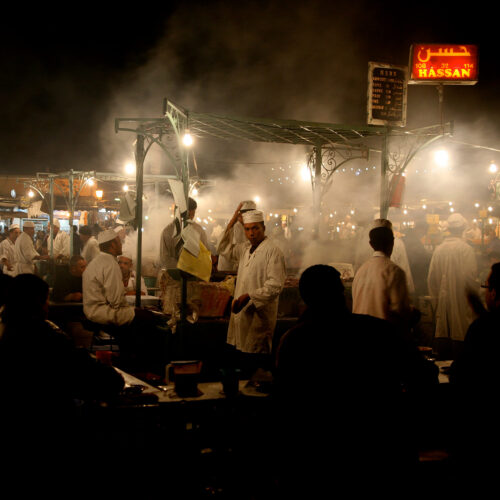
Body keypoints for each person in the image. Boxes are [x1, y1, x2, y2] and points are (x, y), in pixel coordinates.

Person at [274, 265, 438, 495]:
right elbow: (424, 377)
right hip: (379, 459)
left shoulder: (294, 341)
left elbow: (284, 406)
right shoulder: (377, 330)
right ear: (342, 294)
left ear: (305, 299)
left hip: (317, 465)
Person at [0, 274, 124, 475]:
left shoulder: (8, 332)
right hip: (52, 439)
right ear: (40, 304)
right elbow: (104, 382)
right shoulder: (45, 339)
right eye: (46, 301)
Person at [83, 228, 167, 374]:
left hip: (92, 311)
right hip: (103, 312)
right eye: (119, 241)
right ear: (112, 245)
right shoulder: (110, 263)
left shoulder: (96, 262)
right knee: (148, 320)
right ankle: (141, 366)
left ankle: (130, 358)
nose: (121, 244)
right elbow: (116, 300)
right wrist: (133, 311)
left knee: (141, 317)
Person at [217, 204, 286, 376]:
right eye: (247, 229)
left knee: (256, 367)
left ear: (263, 227)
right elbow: (223, 248)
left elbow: (275, 285)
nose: (251, 233)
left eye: (255, 228)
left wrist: (250, 296)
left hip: (259, 320)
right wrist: (232, 223)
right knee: (242, 362)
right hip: (241, 318)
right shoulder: (244, 249)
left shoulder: (273, 252)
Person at [448, 263, 500, 479]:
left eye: (485, 287)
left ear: (494, 292)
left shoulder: (481, 329)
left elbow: (460, 375)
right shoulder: (484, 325)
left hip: (482, 430)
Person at [427, 213, 478, 359]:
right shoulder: (466, 249)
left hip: (443, 306)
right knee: (462, 346)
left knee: (443, 351)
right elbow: (471, 279)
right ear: (463, 228)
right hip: (463, 307)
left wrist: (437, 300)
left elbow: (432, 279)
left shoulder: (439, 250)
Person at [352, 225, 415, 329]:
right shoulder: (394, 271)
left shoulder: (360, 271)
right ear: (392, 242)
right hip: (384, 337)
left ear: (371, 244)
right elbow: (400, 310)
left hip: (359, 334)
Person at [159, 197, 208, 269]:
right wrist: (181, 266)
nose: (190, 219)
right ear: (178, 213)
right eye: (188, 216)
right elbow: (164, 258)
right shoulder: (167, 231)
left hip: (194, 275)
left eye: (192, 215)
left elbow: (204, 254)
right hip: (173, 275)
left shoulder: (198, 230)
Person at [216, 200, 256, 272]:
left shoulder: (246, 227)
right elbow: (235, 251)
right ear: (240, 215)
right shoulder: (236, 227)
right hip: (228, 268)